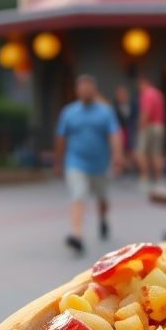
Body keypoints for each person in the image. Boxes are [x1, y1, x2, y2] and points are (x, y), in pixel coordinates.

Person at [53, 74, 123, 253]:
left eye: (88, 89)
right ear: (77, 91)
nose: (85, 92)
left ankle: (103, 219)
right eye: (82, 89)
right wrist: (58, 162)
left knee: (102, 198)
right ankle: (77, 235)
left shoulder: (105, 112)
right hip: (76, 163)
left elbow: (114, 136)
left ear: (94, 90)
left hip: (100, 165)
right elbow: (61, 138)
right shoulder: (68, 112)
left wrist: (117, 156)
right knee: (78, 195)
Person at [135, 75, 166, 185]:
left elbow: (146, 111)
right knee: (156, 153)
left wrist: (140, 126)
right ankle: (159, 178)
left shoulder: (146, 94)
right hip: (159, 126)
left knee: (140, 153)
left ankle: (145, 177)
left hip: (149, 126)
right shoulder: (158, 93)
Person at [113, 84, 138, 169]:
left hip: (132, 130)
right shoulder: (115, 107)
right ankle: (124, 166)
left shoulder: (133, 104)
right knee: (121, 148)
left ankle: (132, 166)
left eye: (123, 94)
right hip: (121, 130)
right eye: (119, 94)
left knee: (132, 148)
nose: (121, 96)